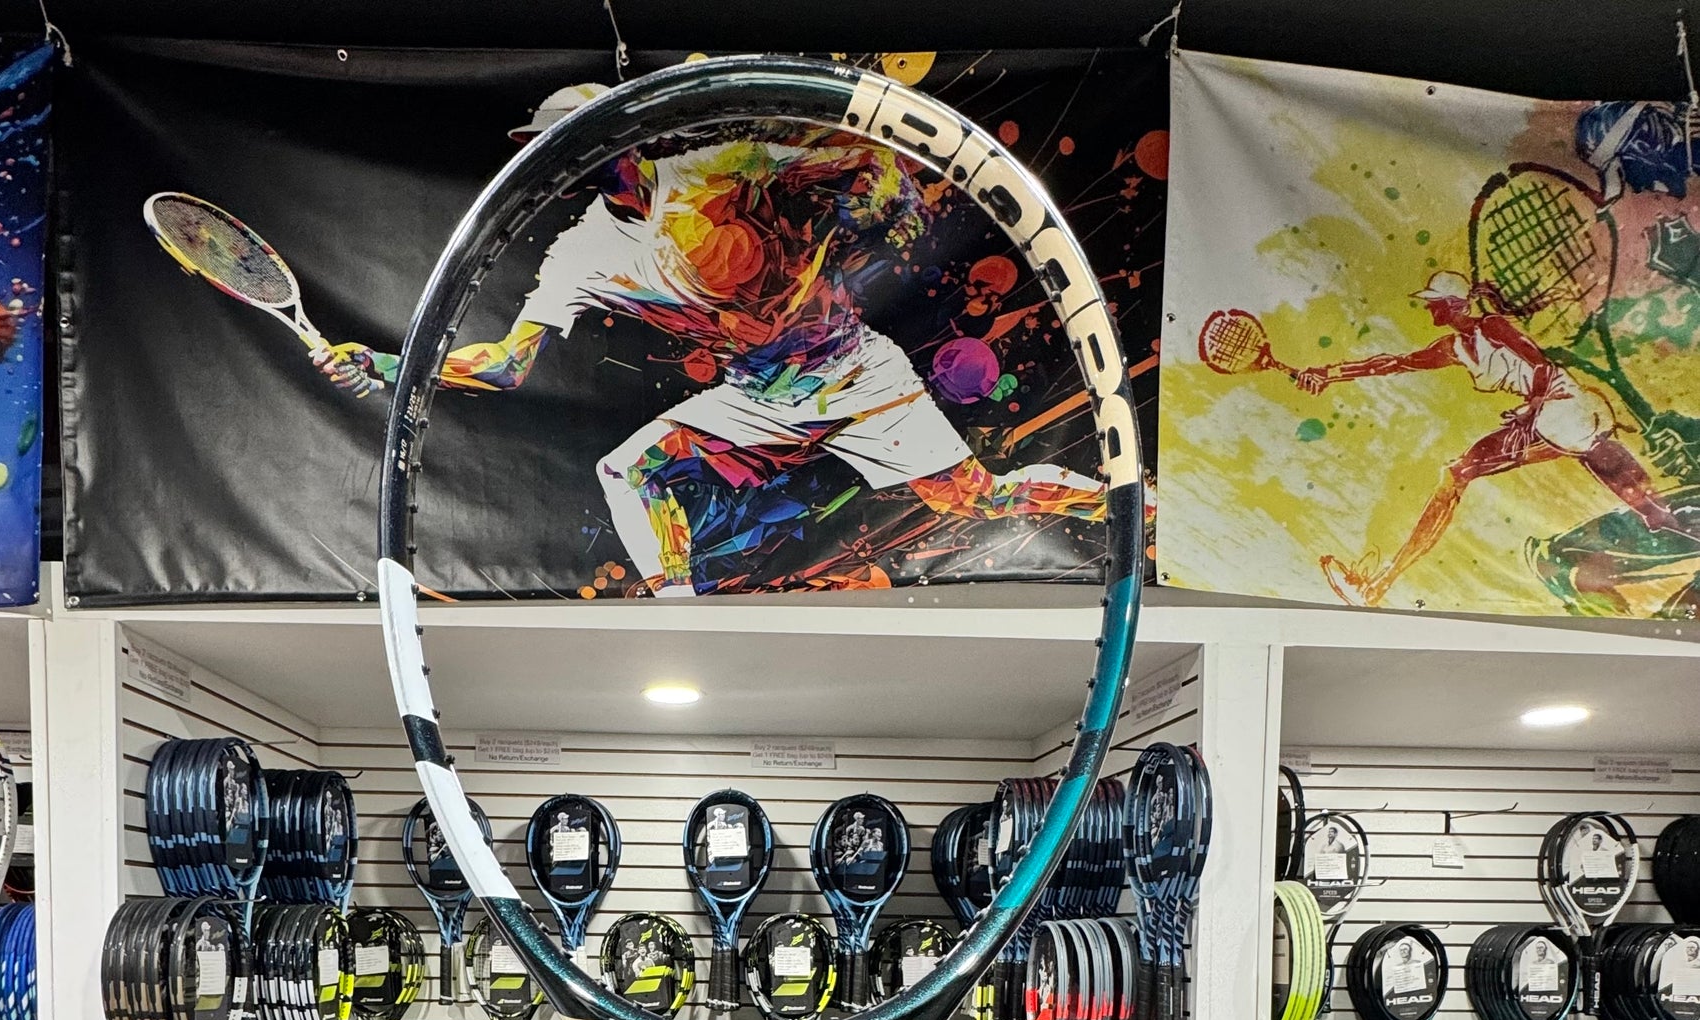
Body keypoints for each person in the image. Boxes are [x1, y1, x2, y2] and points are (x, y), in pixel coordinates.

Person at [316, 88, 1117, 595]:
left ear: (617, 138)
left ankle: (1120, 501)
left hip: (855, 373)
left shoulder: (725, 168)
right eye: (546, 149)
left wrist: (874, 201)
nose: (556, 161)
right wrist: (391, 364)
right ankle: (676, 607)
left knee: (977, 499)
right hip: (757, 397)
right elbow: (506, 364)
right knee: (629, 470)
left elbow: (862, 165)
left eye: (566, 142)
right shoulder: (579, 255)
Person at [1296, 272, 1696, 607]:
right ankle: (1380, 584)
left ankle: (1379, 585)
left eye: (1434, 303)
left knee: (1459, 473)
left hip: (1563, 407)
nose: (1429, 309)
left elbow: (1541, 366)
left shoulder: (1491, 326)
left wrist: (1529, 411)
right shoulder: (1454, 348)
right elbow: (1395, 363)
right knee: (1459, 474)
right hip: (1547, 420)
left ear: (1453, 304)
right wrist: (1329, 374)